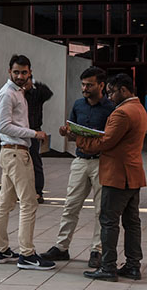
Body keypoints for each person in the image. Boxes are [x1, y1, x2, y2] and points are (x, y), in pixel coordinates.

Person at [67, 73, 147, 282]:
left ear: (123, 90)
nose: (109, 96)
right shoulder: (139, 108)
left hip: (117, 175)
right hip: (133, 174)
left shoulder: (122, 113)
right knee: (131, 222)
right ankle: (132, 265)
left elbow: (106, 142)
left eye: (112, 92)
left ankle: (108, 266)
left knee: (108, 221)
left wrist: (79, 139)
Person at [42, 67, 114, 269]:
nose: (85, 88)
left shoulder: (110, 108)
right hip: (80, 160)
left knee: (101, 209)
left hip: (102, 162)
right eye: (83, 84)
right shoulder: (78, 105)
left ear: (101, 85)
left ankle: (97, 250)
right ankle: (61, 247)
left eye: (89, 85)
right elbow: (73, 133)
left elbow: (112, 137)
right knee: (70, 205)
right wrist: (67, 132)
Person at [0, 55, 54, 270]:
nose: (20, 76)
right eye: (16, 72)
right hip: (16, 152)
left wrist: (31, 83)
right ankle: (27, 254)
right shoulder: (8, 94)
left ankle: (1, 250)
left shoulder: (19, 92)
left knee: (6, 203)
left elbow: (45, 92)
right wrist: (33, 133)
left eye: (24, 72)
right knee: (29, 203)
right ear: (9, 71)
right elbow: (3, 126)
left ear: (30, 72)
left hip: (12, 153)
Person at [24, 74, 53, 203]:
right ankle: (23, 191)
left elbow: (48, 93)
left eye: (28, 80)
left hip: (35, 130)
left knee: (35, 162)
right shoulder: (18, 95)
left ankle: (38, 192)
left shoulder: (37, 93)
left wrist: (34, 81)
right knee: (21, 164)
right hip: (21, 132)